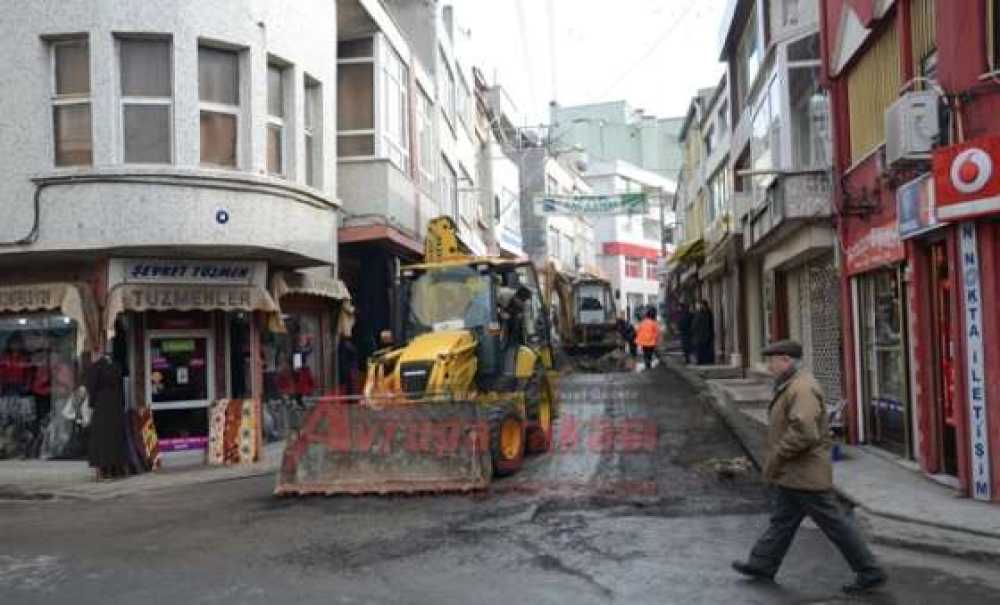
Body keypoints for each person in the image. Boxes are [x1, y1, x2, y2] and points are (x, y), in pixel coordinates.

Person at [732, 340, 887, 594]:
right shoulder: (790, 384)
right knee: (782, 521)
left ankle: (870, 570)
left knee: (834, 524)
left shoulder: (802, 388)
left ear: (787, 361)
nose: (769, 365)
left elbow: (804, 432)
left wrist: (779, 455)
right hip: (793, 472)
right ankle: (762, 563)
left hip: (804, 471)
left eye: (772, 360)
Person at [84, 347, 129, 480]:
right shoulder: (117, 367)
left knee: (100, 440)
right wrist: (122, 405)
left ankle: (101, 472)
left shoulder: (96, 368)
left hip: (101, 406)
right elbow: (122, 388)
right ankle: (117, 469)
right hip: (115, 407)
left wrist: (91, 405)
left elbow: (91, 388)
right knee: (115, 438)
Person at [691, 300, 715, 365]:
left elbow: (711, 324)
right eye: (702, 306)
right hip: (700, 335)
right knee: (700, 349)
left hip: (707, 335)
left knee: (706, 348)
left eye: (704, 306)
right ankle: (700, 361)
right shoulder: (699, 314)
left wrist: (711, 333)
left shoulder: (708, 313)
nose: (703, 307)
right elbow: (694, 325)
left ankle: (707, 361)